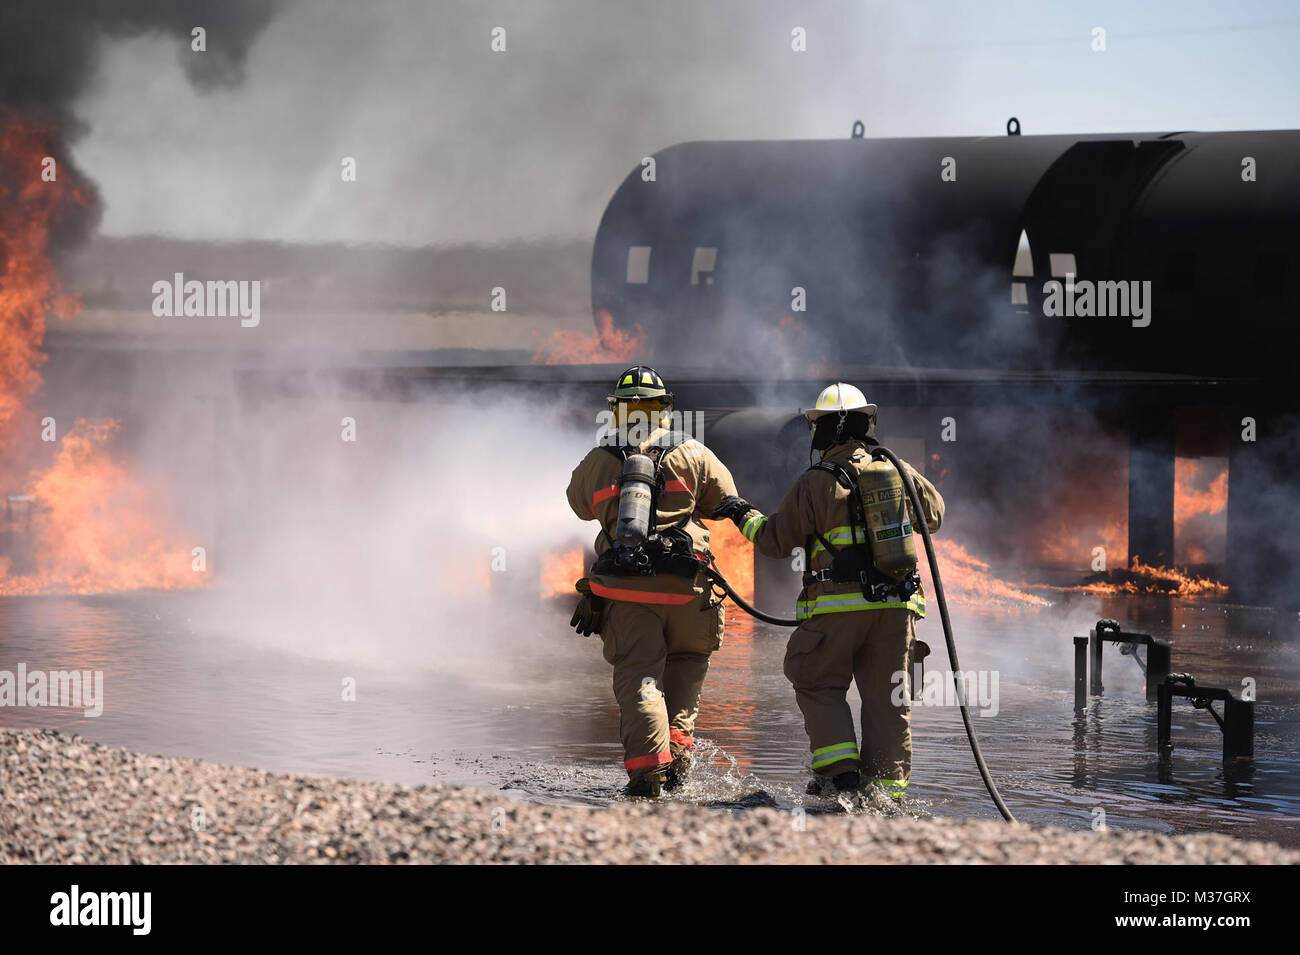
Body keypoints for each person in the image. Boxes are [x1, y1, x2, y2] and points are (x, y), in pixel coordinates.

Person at [711, 382, 944, 797]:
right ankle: (886, 797)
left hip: (836, 610)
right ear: (865, 423)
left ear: (819, 431)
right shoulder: (897, 470)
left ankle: (841, 778)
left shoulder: (814, 482)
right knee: (889, 701)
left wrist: (741, 512)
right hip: (896, 609)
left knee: (819, 685)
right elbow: (936, 514)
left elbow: (774, 541)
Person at [566, 365, 742, 797]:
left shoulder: (599, 459)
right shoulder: (694, 453)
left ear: (618, 410)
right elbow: (726, 503)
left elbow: (578, 506)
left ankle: (648, 776)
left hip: (627, 593)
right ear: (665, 409)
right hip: (689, 591)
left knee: (641, 677)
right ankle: (678, 758)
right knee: (685, 668)